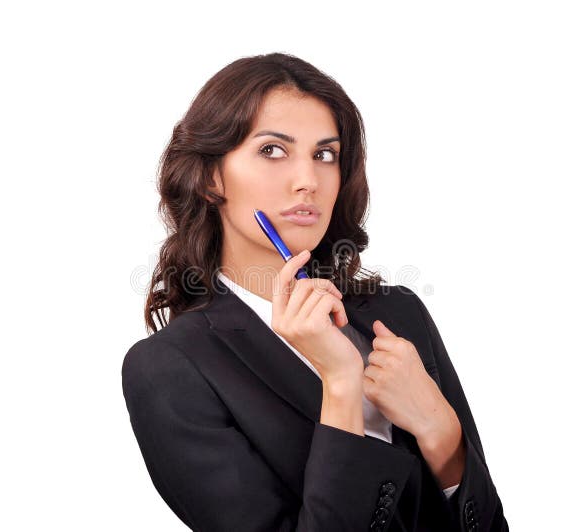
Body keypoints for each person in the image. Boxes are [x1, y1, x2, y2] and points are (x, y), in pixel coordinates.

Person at [122, 52, 508, 531]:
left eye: (324, 155)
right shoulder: (170, 369)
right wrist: (342, 383)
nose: (308, 181)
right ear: (209, 178)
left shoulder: (399, 313)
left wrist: (440, 432)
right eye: (272, 151)